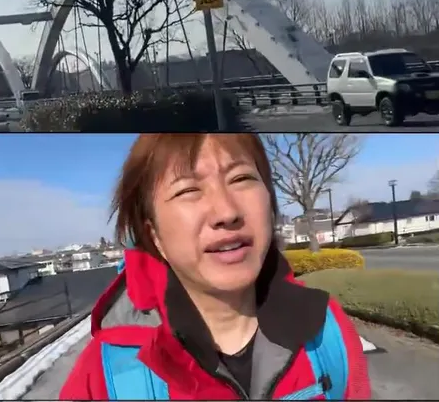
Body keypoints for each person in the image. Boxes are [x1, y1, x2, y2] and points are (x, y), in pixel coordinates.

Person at [59, 133, 371, 400]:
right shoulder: (104, 378)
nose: (226, 212)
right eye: (188, 190)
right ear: (154, 236)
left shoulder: (326, 331)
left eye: (241, 178)